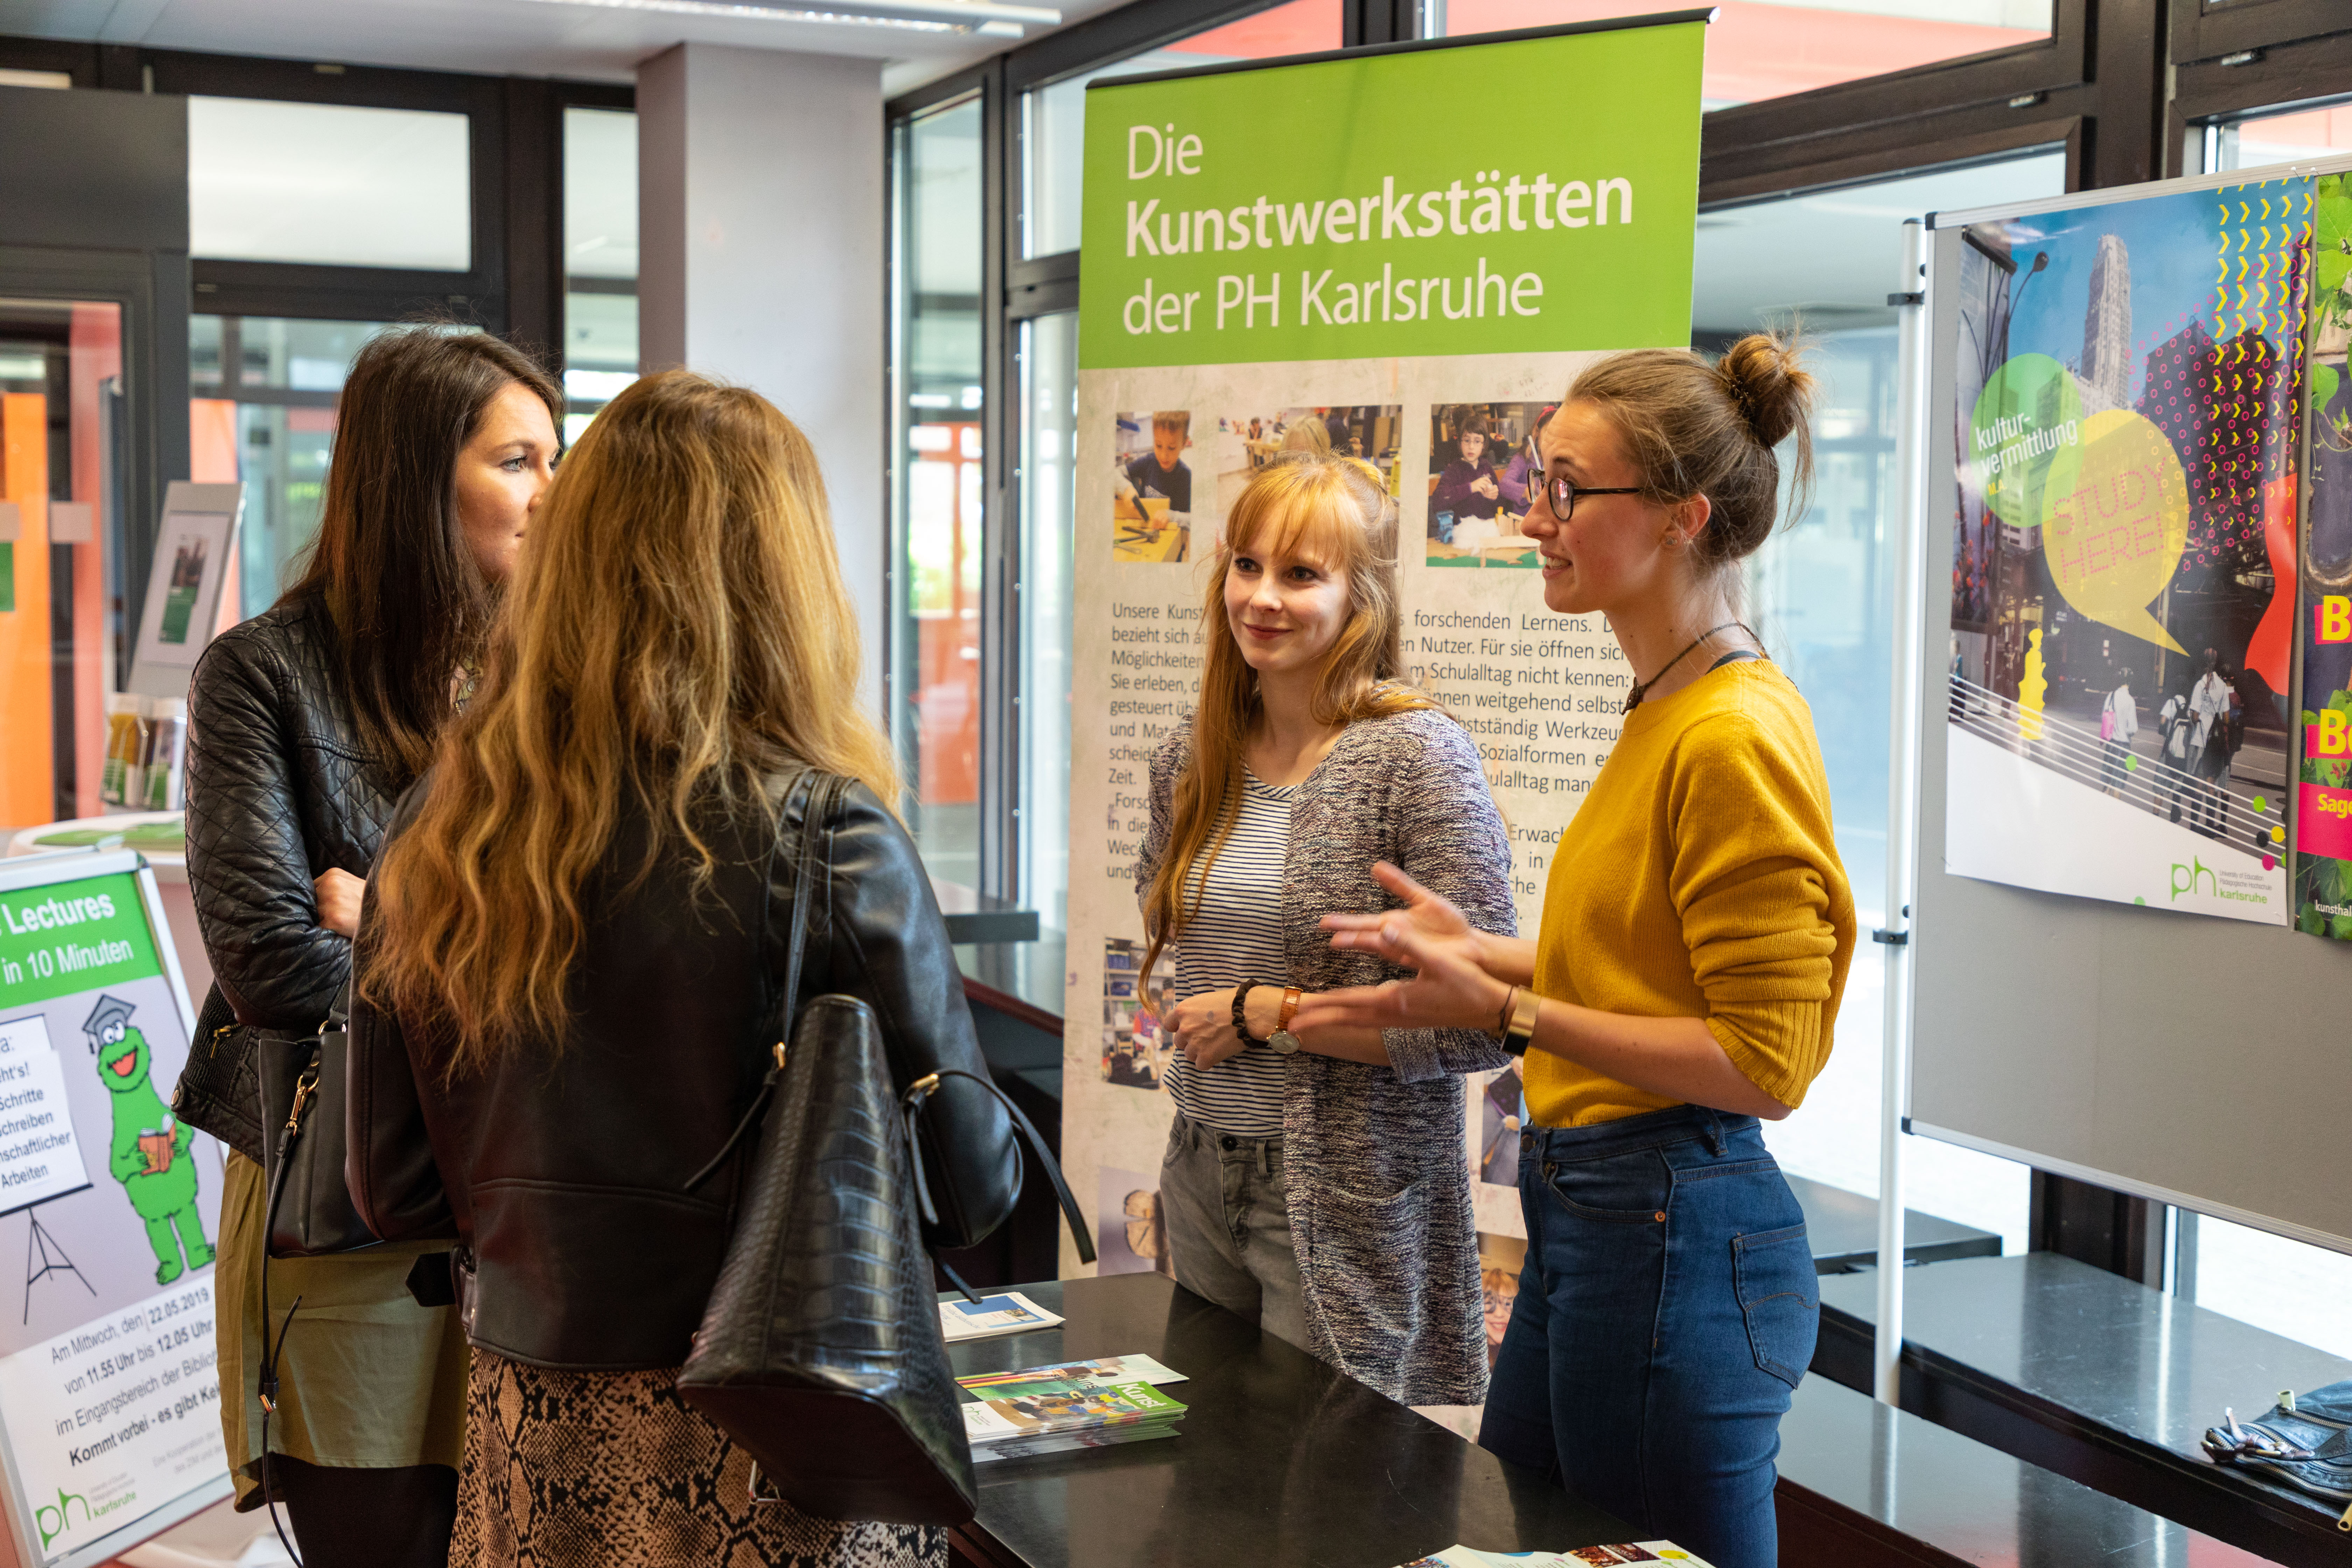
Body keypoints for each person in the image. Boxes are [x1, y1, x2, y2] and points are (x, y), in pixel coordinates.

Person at [347, 371, 1020, 1568]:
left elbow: (393, 1187)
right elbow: (974, 1192)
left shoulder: (440, 831)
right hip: (777, 1444)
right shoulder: (832, 840)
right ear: (785, 581)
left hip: (531, 1442)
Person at [1307, 333, 1854, 1566]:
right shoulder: (1670, 705)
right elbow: (1643, 974)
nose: (1531, 514)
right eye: (1533, 481)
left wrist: (1511, 1014)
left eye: (1565, 488)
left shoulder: (1729, 732)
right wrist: (1491, 956)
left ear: (1679, 517)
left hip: (1671, 1227)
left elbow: (1764, 1065)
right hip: (1603, 1225)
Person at [175, 327, 560, 1567]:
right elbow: (272, 969)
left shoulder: (556, 684)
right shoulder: (262, 678)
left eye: (555, 460)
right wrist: (506, 958)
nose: (551, 495)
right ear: (412, 479)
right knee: (382, 1542)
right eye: (518, 461)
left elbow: (611, 950)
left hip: (532, 1199)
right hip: (347, 1207)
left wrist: (384, 913)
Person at [1138, 453, 1516, 1407]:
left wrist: (1278, 1012)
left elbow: (1482, 1021)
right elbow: (1179, 950)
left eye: (1302, 574)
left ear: (1364, 597)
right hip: (1198, 1162)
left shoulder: (1417, 757)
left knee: (1323, 1507)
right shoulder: (1192, 754)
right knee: (1206, 1483)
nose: (1262, 598)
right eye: (1247, 566)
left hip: (1346, 1192)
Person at [1430, 410, 1505, 525]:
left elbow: (1501, 505)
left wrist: (1494, 496)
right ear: (1460, 443)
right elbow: (1438, 501)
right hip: (1462, 532)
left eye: (1477, 441)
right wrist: (1470, 488)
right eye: (1467, 441)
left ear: (1484, 445)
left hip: (1487, 529)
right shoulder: (1454, 470)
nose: (1471, 447)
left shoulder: (1487, 468)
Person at [1118, 410, 1194, 515]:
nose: (1164, 456)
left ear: (1184, 443)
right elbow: (1114, 474)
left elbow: (1191, 518)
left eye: (1171, 448)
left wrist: (1171, 517)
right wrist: (1126, 490)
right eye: (1159, 446)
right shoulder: (1148, 462)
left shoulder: (1186, 477)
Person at [2100, 671, 2138, 797]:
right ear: (2130, 682)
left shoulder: (2111, 696)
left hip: (2111, 744)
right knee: (2118, 783)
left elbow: (2104, 717)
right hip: (2123, 747)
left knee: (2108, 783)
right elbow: (2132, 728)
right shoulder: (2131, 701)